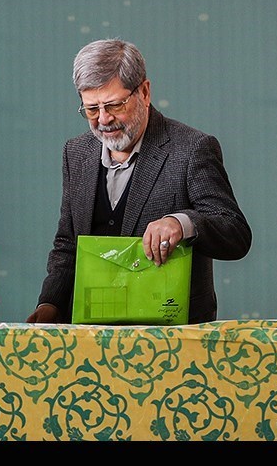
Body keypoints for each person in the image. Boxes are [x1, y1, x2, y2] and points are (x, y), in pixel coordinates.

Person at [26, 38, 252, 324]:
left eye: (114, 105)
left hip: (171, 339)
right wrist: (50, 304)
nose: (104, 119)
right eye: (91, 109)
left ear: (144, 92)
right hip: (88, 335)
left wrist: (181, 223)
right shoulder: (76, 152)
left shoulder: (192, 148)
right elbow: (68, 244)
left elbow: (235, 234)